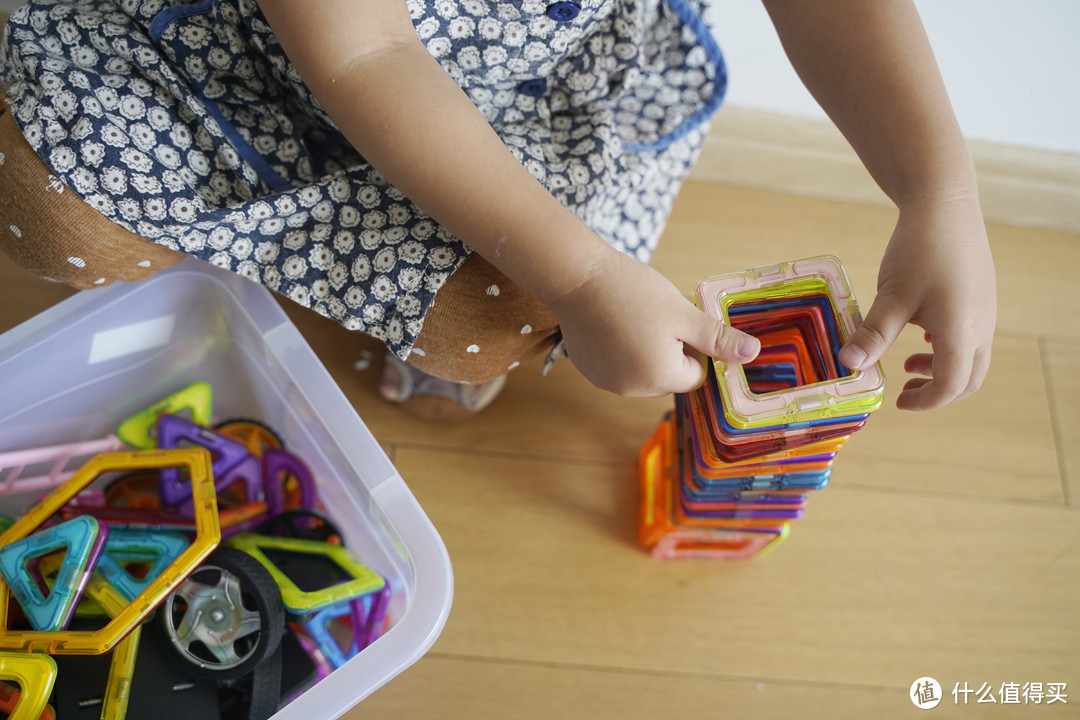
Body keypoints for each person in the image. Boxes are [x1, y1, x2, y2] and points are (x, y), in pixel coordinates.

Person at [0, 0, 996, 420]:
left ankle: (408, 302)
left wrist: (938, 186)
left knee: (502, 319)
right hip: (255, 56)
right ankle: (221, 250)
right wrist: (588, 275)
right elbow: (363, 52)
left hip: (537, 94)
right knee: (44, 192)